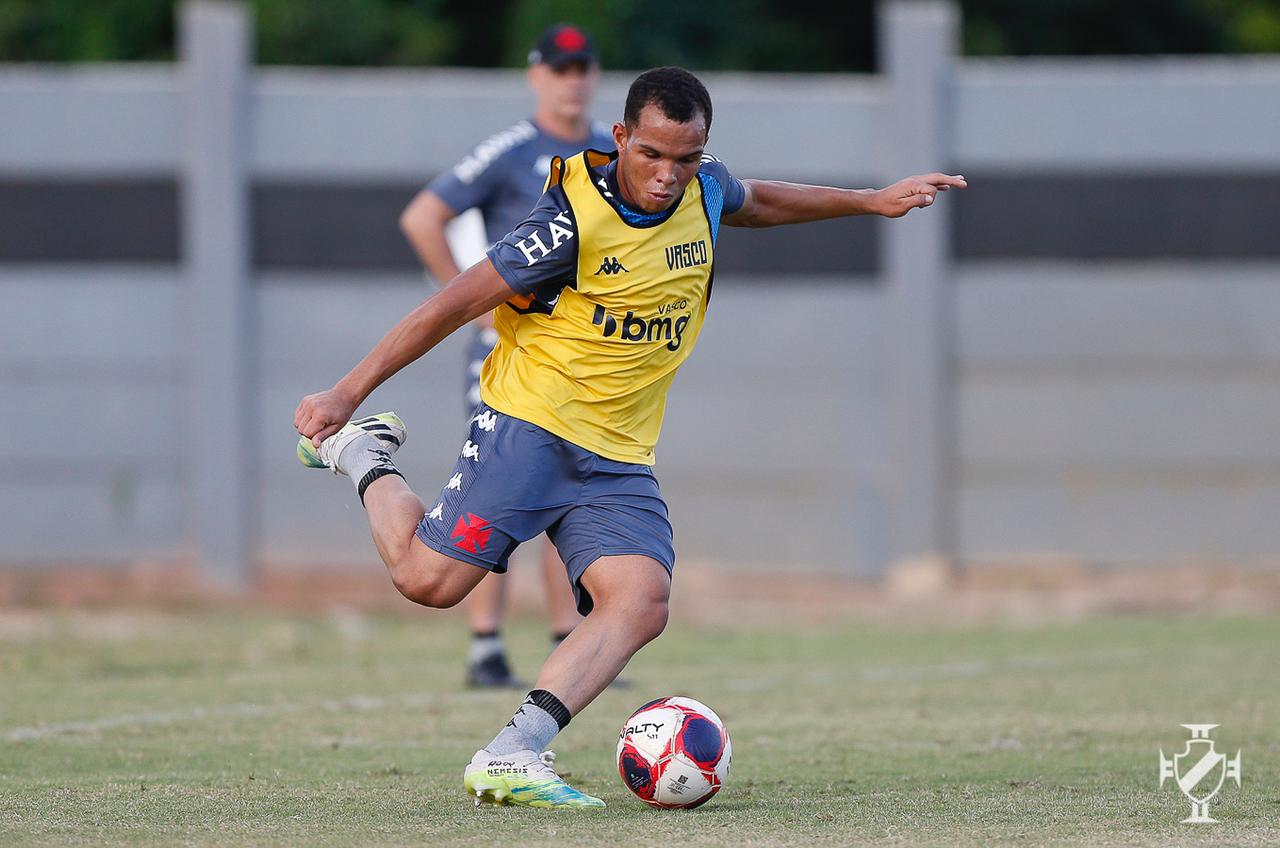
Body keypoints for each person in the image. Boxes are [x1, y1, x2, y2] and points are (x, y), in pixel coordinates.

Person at [295, 66, 965, 808]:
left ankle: (511, 754)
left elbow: (761, 200)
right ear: (620, 138)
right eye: (651, 154)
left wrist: (872, 200)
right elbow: (450, 305)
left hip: (618, 453)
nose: (668, 175)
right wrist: (347, 393)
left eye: (686, 158)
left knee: (641, 600)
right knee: (429, 584)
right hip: (531, 426)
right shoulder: (569, 220)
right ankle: (363, 452)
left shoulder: (706, 189)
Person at [399, 23, 615, 689]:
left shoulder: (614, 152)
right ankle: (485, 645)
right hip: (511, 350)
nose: (572, 80)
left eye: (581, 67)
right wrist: (468, 303)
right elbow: (422, 216)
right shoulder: (512, 150)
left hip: (581, 358)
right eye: (560, 68)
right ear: (536, 76)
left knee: (571, 491)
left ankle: (570, 640)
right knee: (497, 484)